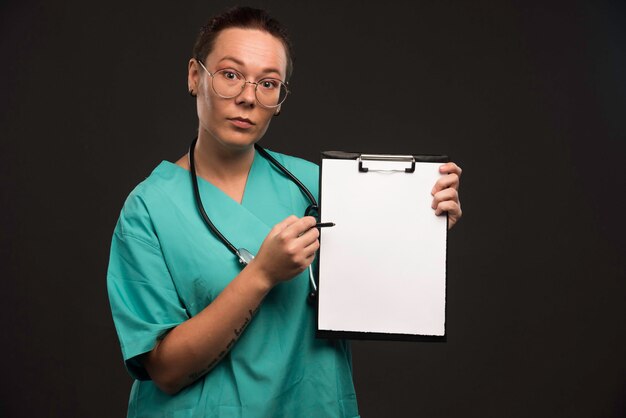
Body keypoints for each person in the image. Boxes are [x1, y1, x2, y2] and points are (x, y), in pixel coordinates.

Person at [107, 6, 462, 418]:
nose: (247, 97)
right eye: (230, 74)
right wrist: (262, 274)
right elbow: (165, 370)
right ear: (194, 76)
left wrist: (423, 223)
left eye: (268, 83)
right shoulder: (148, 209)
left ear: (280, 100)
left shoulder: (317, 187)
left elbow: (382, 290)